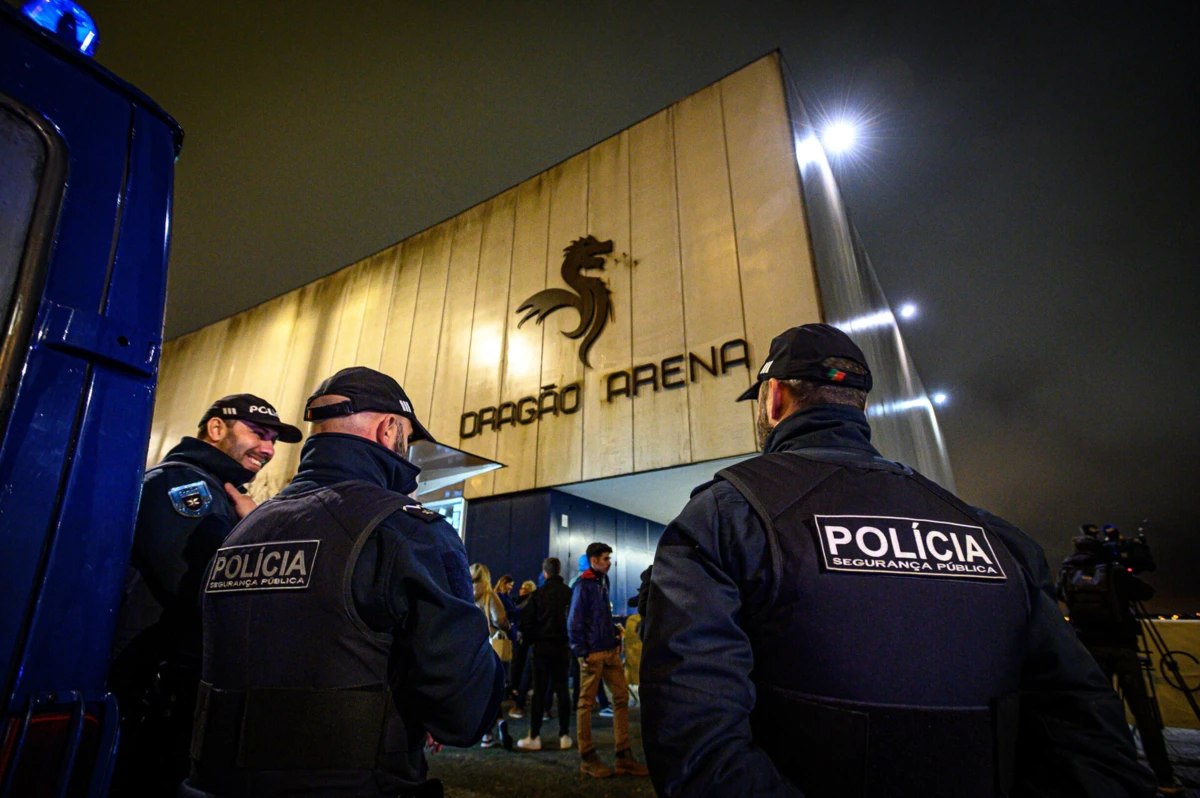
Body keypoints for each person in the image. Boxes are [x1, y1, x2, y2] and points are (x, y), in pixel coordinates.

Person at [640, 323, 1158, 797]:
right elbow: (1091, 739)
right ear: (859, 407)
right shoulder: (992, 533)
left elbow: (698, 748)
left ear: (774, 399)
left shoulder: (725, 517)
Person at [182, 367, 503, 797]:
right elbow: (465, 711)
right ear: (390, 429)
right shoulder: (406, 530)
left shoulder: (242, 526)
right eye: (408, 437)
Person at [108, 394, 301, 795]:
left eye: (273, 441)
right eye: (258, 434)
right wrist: (257, 533)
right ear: (216, 429)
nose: (268, 449)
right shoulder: (181, 483)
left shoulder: (216, 489)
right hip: (150, 693)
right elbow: (206, 590)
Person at [1058, 525, 1178, 791]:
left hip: (1088, 650)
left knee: (1096, 713)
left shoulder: (1067, 572)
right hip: (1122, 648)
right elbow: (1145, 592)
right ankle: (1164, 778)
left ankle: (1101, 773)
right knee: (1142, 713)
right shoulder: (1113, 572)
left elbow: (1060, 597)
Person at [568, 542, 649, 778]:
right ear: (594, 561)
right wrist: (582, 652)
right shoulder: (584, 585)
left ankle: (623, 756)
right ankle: (588, 757)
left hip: (607, 650)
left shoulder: (601, 581)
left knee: (620, 699)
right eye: (605, 559)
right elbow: (574, 620)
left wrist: (613, 635)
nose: (609, 562)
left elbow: (595, 616)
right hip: (594, 653)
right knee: (586, 705)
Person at [516, 558, 575, 751]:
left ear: (545, 572)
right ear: (559, 571)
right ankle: (565, 735)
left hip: (542, 648)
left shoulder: (537, 595)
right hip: (563, 647)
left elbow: (526, 624)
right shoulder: (569, 593)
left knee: (539, 692)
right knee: (563, 690)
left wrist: (532, 640)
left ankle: (534, 736)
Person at [472, 563, 513, 750]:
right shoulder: (490, 596)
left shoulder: (463, 594)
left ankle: (487, 731)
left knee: (478, 693)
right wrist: (508, 627)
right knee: (493, 690)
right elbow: (501, 620)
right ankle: (494, 725)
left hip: (470, 650)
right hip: (490, 649)